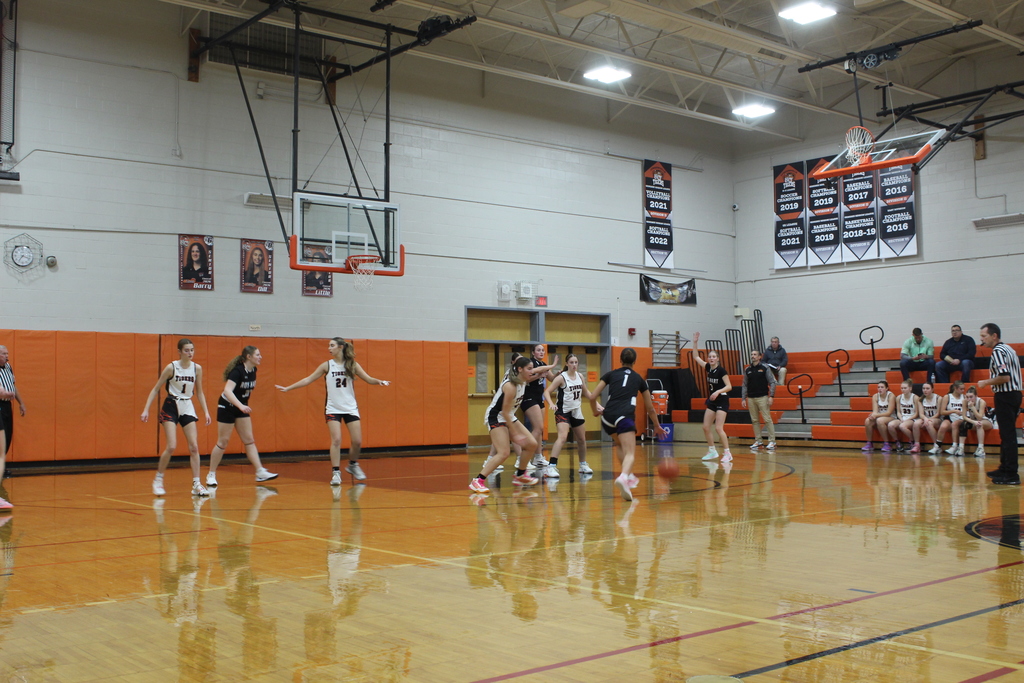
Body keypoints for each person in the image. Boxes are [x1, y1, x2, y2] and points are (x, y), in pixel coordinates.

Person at [276, 337, 391, 485]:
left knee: (357, 441)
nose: (329, 348)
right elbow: (308, 379)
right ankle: (336, 472)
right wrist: (288, 388)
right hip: (333, 408)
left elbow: (368, 379)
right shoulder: (327, 366)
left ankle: (353, 465)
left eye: (332, 345)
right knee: (336, 440)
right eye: (329, 346)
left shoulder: (352, 365)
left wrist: (379, 381)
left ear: (341, 347)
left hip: (350, 407)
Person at [589, 348, 666, 501]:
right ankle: (624, 477)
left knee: (619, 445)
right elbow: (650, 408)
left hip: (608, 417)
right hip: (624, 416)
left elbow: (592, 396)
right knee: (631, 452)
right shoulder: (639, 379)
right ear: (635, 361)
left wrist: (595, 411)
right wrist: (656, 425)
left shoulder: (611, 374)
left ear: (620, 360)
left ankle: (628, 476)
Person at [140, 338, 212, 497]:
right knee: (172, 446)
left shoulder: (197, 368)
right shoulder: (171, 368)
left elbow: (199, 392)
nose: (190, 353)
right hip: (171, 405)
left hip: (187, 405)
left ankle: (196, 484)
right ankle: (158, 479)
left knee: (194, 446)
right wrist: (146, 409)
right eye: (186, 350)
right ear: (179, 352)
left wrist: (206, 411)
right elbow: (155, 389)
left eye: (192, 350)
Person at [205, 346, 278, 487]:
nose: (260, 356)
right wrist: (240, 405)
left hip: (240, 407)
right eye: (258, 354)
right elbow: (227, 391)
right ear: (249, 357)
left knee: (249, 440)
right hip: (227, 407)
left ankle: (260, 472)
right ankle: (211, 474)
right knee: (223, 442)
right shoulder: (237, 372)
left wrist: (241, 406)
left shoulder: (253, 370)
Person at [469, 356, 541, 493]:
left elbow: (509, 414)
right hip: (496, 416)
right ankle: (477, 480)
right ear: (520, 369)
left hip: (508, 415)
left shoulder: (522, 382)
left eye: (533, 369)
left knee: (531, 444)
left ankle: (520, 475)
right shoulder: (511, 386)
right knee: (504, 452)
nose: (533, 371)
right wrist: (514, 434)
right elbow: (505, 412)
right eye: (530, 369)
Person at [978, 323, 1022, 485]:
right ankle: (1004, 468)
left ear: (994, 336)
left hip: (1006, 395)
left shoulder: (997, 351)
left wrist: (986, 382)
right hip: (1015, 394)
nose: (982, 340)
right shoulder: (1009, 349)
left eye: (984, 336)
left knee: (1008, 435)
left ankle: (1010, 474)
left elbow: (1004, 377)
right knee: (1006, 434)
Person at [543, 354, 596, 477]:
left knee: (582, 439)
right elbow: (546, 391)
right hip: (563, 411)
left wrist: (597, 404)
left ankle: (583, 464)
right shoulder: (561, 377)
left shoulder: (580, 376)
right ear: (567, 364)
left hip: (576, 411)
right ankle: (551, 466)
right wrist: (551, 403)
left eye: (576, 362)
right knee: (562, 437)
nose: (574, 365)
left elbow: (586, 392)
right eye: (571, 362)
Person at [692, 333, 733, 462]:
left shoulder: (722, 371)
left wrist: (718, 392)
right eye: (710, 356)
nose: (711, 358)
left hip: (722, 400)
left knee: (718, 428)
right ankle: (712, 451)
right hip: (713, 401)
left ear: (718, 359)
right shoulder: (708, 367)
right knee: (705, 427)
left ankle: (727, 453)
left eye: (714, 356)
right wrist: (695, 342)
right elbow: (695, 356)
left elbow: (729, 386)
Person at [520, 344, 560, 469]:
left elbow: (552, 378)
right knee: (538, 427)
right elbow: (525, 379)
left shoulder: (544, 365)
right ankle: (524, 457)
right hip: (528, 397)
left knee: (540, 429)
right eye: (538, 350)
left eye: (543, 350)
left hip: (539, 398)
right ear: (533, 353)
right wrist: (539, 375)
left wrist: (559, 373)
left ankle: (538, 457)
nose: (541, 352)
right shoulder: (530, 363)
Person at [741, 349, 777, 451]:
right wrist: (743, 398)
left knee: (767, 419)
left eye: (755, 354)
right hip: (751, 398)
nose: (753, 356)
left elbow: (773, 382)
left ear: (760, 357)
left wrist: (771, 396)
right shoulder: (747, 370)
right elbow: (744, 384)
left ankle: (772, 441)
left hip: (763, 397)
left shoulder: (765, 368)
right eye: (751, 354)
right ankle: (759, 441)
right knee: (755, 420)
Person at [0, 346, 26, 457]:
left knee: (7, 433)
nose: (7, 356)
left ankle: (1, 464)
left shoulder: (8, 367)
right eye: (4, 354)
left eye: (7, 353)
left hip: (6, 405)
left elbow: (12, 386)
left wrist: (21, 403)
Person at [886, 379, 923, 453]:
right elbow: (899, 412)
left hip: (912, 418)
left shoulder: (915, 397)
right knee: (890, 425)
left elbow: (917, 413)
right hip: (902, 418)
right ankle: (898, 442)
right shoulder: (899, 398)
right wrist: (901, 418)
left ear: (910, 388)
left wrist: (907, 419)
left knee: (902, 426)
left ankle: (913, 442)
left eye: (905, 388)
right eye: (902, 388)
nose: (903, 390)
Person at [862, 380, 895, 452]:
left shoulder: (891, 396)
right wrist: (873, 415)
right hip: (880, 416)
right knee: (868, 420)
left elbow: (889, 412)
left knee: (880, 420)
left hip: (891, 417)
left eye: (882, 387)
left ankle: (887, 443)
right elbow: (875, 411)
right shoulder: (875, 396)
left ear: (887, 388)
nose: (880, 389)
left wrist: (876, 415)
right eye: (878, 387)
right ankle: (869, 443)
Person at [963, 386, 994, 458]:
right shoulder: (964, 401)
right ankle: (960, 447)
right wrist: (973, 422)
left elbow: (980, 417)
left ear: (976, 396)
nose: (969, 399)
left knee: (979, 424)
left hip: (986, 420)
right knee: (962, 424)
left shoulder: (981, 402)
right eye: (967, 397)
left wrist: (973, 408)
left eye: (971, 397)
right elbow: (964, 416)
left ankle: (981, 448)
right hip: (974, 421)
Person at [936, 380, 966, 456]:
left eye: (963, 389)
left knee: (955, 424)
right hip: (950, 417)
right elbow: (942, 412)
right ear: (955, 388)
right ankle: (937, 446)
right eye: (961, 389)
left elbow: (968, 410)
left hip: (961, 418)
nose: (963, 391)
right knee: (943, 426)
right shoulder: (947, 397)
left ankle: (954, 446)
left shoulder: (964, 397)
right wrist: (954, 411)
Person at [919, 382, 943, 454]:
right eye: (923, 388)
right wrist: (926, 419)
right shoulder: (921, 399)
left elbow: (938, 413)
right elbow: (921, 414)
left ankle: (937, 446)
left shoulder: (938, 398)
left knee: (929, 423)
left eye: (927, 388)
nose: (925, 390)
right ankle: (917, 444)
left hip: (938, 419)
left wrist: (928, 419)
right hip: (926, 419)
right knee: (916, 424)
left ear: (932, 389)